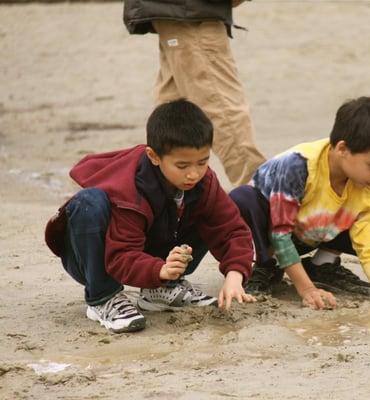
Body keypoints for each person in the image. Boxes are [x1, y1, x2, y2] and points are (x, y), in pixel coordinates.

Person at [45, 99, 256, 333]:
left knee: (207, 204)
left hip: (153, 251)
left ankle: (161, 291)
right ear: (154, 156)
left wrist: (235, 275)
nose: (194, 173)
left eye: (203, 162)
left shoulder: (203, 181)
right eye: (182, 165)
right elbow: (120, 256)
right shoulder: (130, 188)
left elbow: (231, 229)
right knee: (88, 202)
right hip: (95, 256)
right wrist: (159, 270)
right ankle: (102, 298)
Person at [230, 97, 370, 310]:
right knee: (242, 198)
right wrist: (307, 289)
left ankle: (323, 264)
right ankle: (263, 267)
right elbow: (280, 235)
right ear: (342, 149)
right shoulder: (298, 165)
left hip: (311, 231)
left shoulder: (368, 183)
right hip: (273, 233)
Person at [122, 0, 265, 186]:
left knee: (171, 122)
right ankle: (266, 201)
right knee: (225, 115)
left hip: (176, 13)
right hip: (190, 14)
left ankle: (164, 205)